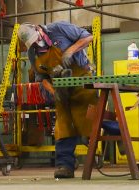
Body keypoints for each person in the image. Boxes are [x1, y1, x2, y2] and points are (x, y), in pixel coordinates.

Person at [17, 21, 98, 178]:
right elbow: (42, 78)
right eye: (33, 43)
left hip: (82, 81)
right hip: (61, 89)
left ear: (39, 29)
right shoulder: (33, 53)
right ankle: (65, 165)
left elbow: (89, 37)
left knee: (90, 117)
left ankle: (117, 133)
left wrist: (70, 51)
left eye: (37, 39)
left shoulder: (59, 28)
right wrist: (54, 93)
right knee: (63, 124)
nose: (37, 43)